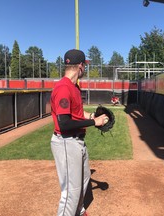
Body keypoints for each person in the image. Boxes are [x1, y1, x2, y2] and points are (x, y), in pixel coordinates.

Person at [50, 49, 107, 216]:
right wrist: (93, 122)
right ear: (81, 66)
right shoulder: (63, 88)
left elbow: (77, 115)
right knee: (70, 192)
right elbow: (65, 123)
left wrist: (94, 116)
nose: (85, 69)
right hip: (66, 141)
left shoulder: (74, 88)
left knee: (84, 180)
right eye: (85, 66)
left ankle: (79, 211)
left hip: (77, 141)